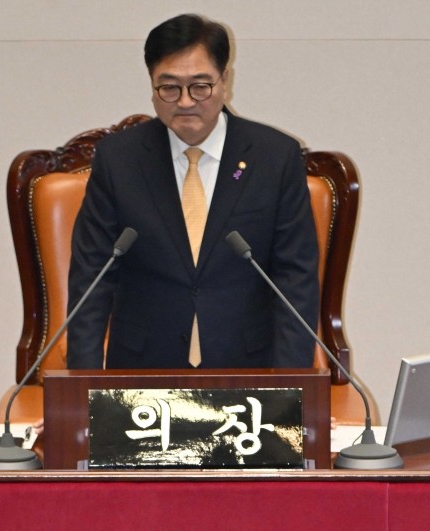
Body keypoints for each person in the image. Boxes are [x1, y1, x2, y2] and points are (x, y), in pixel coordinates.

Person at [66, 13, 320, 372]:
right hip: (141, 372)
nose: (185, 102)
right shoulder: (118, 159)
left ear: (224, 81)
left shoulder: (274, 157)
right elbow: (91, 279)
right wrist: (83, 388)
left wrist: (291, 390)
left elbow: (296, 282)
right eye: (169, 87)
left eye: (200, 86)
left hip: (248, 369)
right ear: (152, 85)